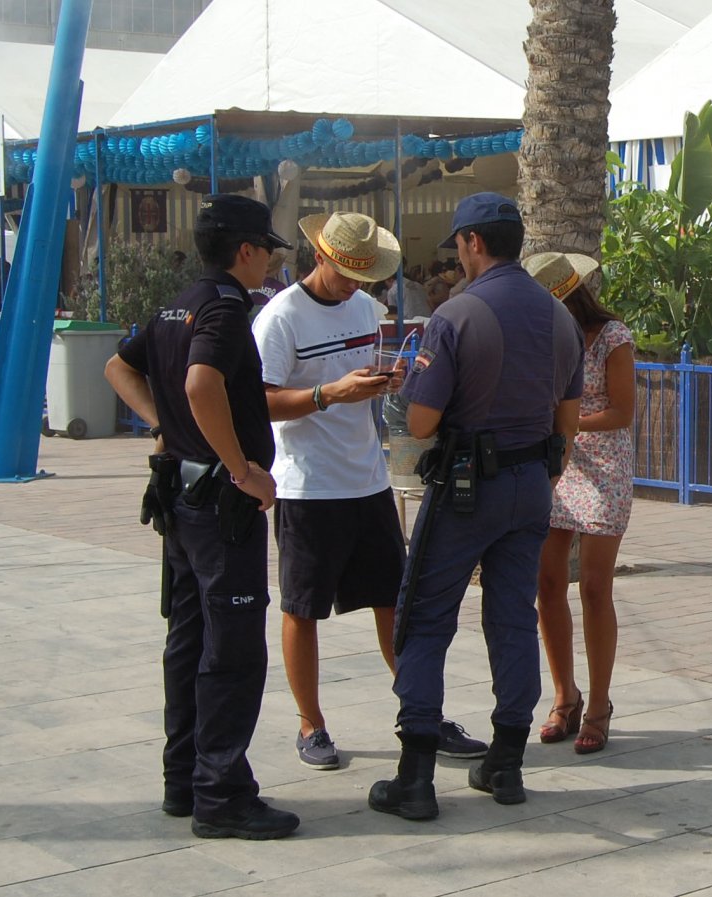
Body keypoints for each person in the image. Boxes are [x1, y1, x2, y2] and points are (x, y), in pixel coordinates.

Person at [369, 194, 583, 820]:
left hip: (467, 488)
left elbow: (422, 422)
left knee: (425, 617)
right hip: (532, 485)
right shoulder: (559, 317)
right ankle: (506, 764)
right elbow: (567, 427)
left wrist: (409, 393)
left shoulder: (456, 315)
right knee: (513, 618)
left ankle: (415, 778)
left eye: (459, 245)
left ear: (473, 242)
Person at [252, 210, 487, 772]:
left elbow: (364, 377)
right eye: (345, 274)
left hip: (368, 480)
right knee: (302, 608)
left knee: (393, 602)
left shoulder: (364, 309)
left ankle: (421, 713)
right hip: (308, 486)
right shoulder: (280, 318)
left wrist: (388, 382)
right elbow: (260, 401)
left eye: (364, 275)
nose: (354, 285)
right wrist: (328, 394)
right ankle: (311, 723)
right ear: (319, 257)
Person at [103, 194, 300, 841]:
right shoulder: (223, 308)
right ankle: (222, 795)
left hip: (182, 498)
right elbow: (199, 383)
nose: (269, 259)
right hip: (219, 504)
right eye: (266, 248)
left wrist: (165, 426)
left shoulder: (178, 302)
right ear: (245, 250)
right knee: (232, 649)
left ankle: (183, 779)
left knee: (188, 640)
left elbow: (118, 367)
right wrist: (242, 468)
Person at [523, 251, 634, 755]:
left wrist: (567, 424)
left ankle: (599, 705)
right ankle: (565, 696)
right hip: (555, 464)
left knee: (593, 587)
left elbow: (622, 411)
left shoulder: (611, 337)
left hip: (603, 466)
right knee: (547, 583)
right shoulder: (539, 335)